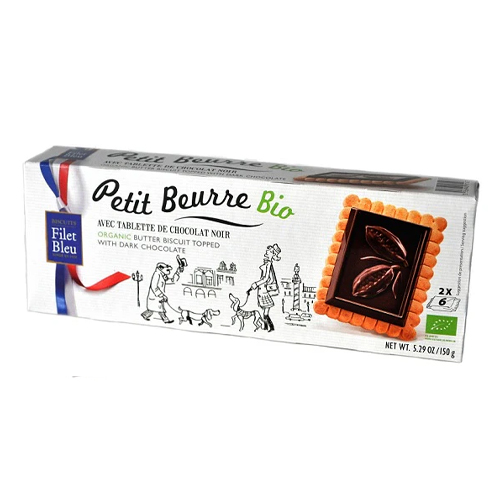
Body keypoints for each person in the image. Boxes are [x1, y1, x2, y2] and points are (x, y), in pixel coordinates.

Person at [250, 244, 281, 332]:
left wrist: (255, 284)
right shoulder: (267, 263)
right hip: (262, 290)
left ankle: (270, 327)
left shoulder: (268, 264)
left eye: (270, 251)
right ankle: (266, 327)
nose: (267, 251)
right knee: (264, 311)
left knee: (265, 312)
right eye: (268, 250)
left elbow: (266, 278)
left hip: (264, 291)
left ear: (273, 254)